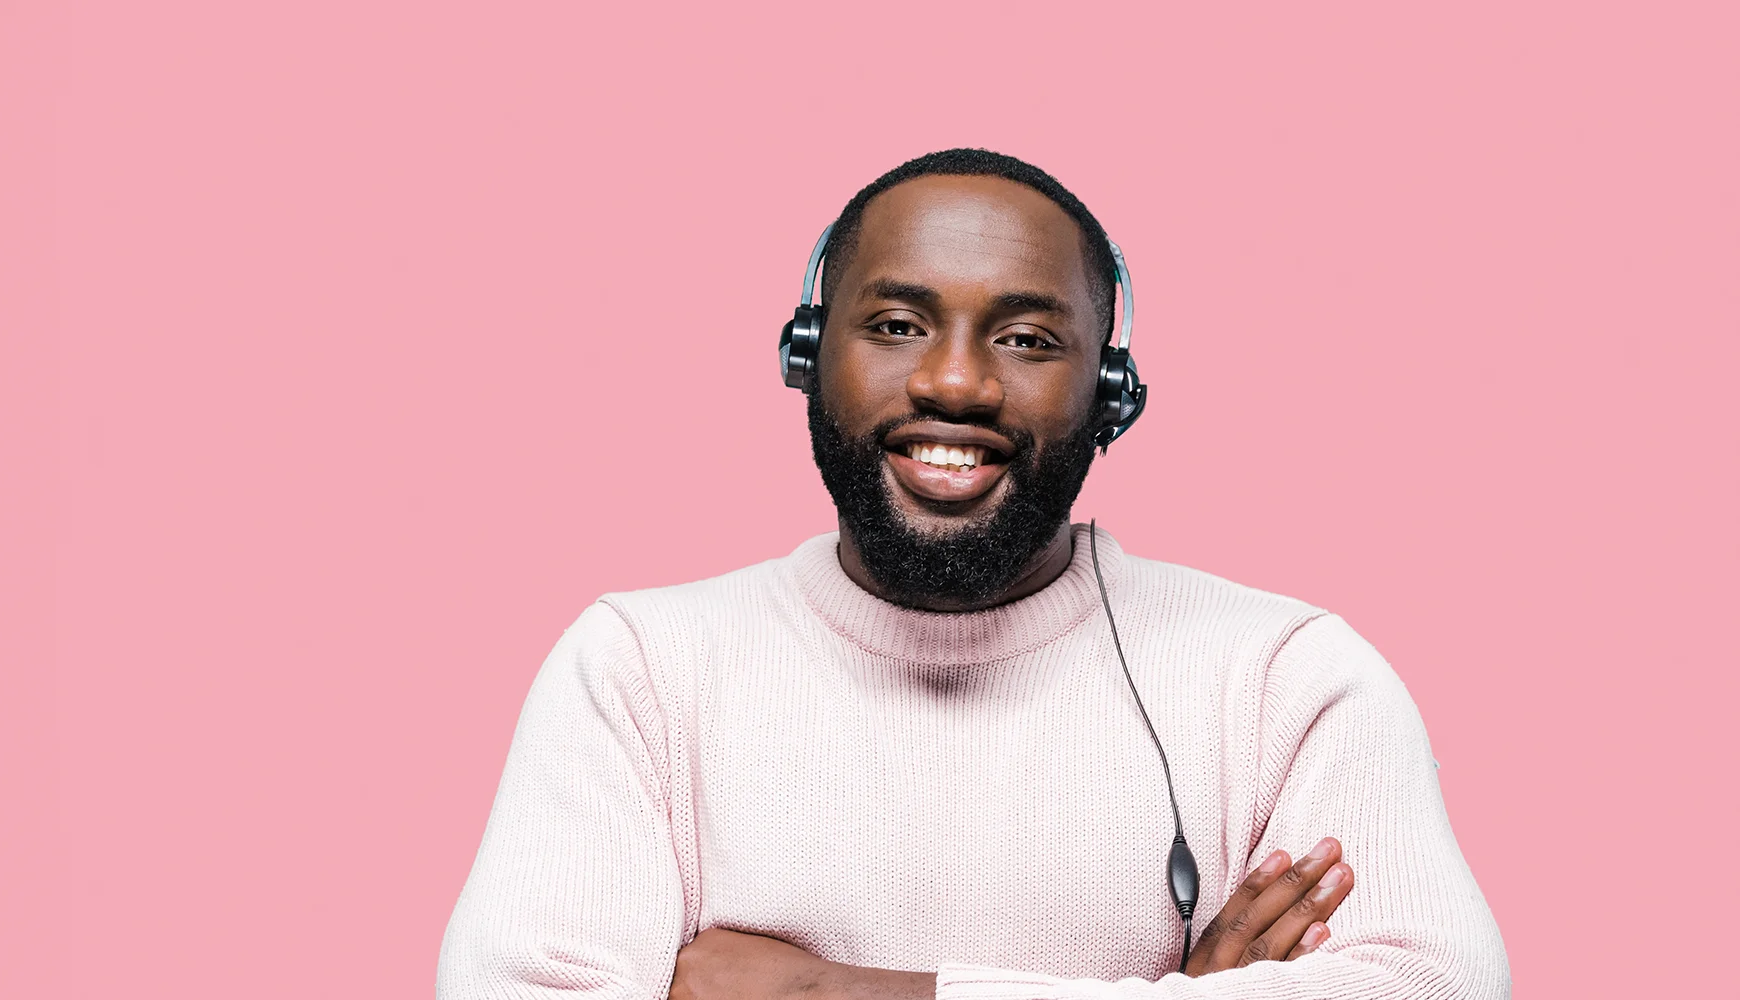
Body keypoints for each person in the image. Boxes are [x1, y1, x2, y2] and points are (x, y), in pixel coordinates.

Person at [435, 149, 1508, 1000]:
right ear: (809, 352)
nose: (955, 380)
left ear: (1111, 392)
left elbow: (1431, 986)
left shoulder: (1287, 677)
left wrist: (830, 992)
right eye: (897, 326)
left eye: (1028, 339)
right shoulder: (636, 671)